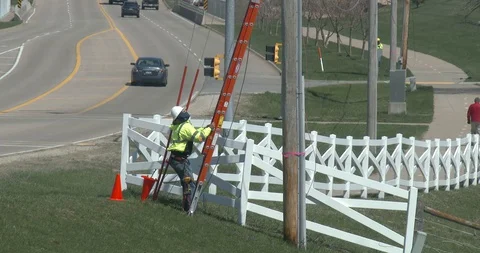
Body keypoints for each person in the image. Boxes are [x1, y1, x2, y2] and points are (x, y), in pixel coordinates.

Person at [167, 106, 215, 212]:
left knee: (186, 183)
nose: (186, 112)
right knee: (189, 184)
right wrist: (210, 129)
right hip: (181, 160)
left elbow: (194, 133)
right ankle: (189, 208)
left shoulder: (179, 126)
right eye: (184, 111)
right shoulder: (185, 126)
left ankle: (186, 206)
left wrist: (204, 129)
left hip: (175, 159)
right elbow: (199, 138)